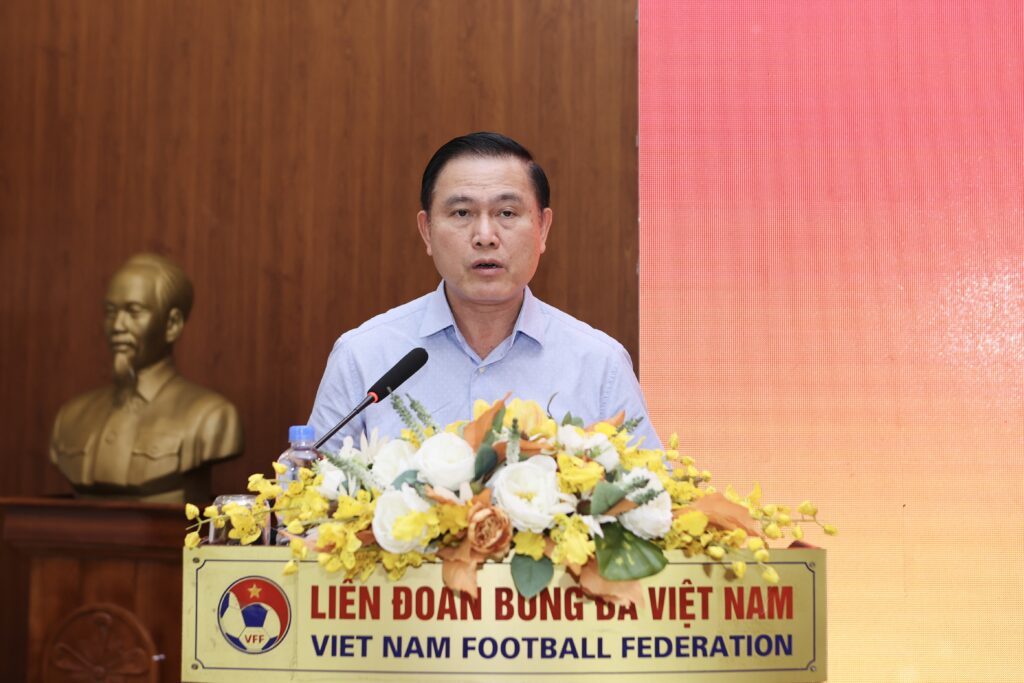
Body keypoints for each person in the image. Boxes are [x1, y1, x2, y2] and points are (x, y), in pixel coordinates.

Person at [309, 132, 660, 450]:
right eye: (462, 213)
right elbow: (307, 493)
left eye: (506, 212)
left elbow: (652, 494)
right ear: (427, 231)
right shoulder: (362, 356)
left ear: (543, 228)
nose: (485, 236)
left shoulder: (600, 365)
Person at [50, 253, 243, 503]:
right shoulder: (70, 417)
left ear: (172, 324)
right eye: (110, 312)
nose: (117, 325)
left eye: (134, 311)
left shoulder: (211, 416)